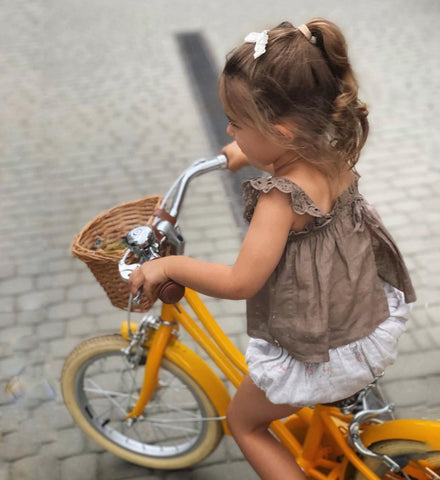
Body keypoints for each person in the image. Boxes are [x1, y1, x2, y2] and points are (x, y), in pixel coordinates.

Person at [129, 18, 416, 480]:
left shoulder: (279, 198)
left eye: (238, 123)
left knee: (245, 425)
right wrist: (249, 148)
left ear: (281, 131)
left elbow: (241, 282)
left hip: (322, 352)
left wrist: (172, 265)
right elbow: (288, 148)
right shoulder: (332, 149)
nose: (228, 128)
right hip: (364, 322)